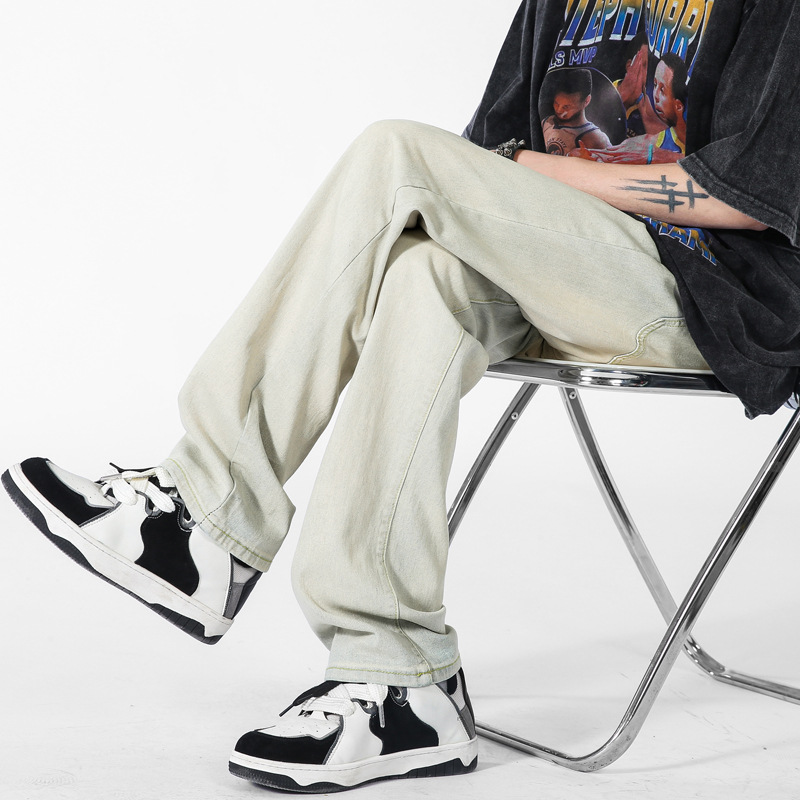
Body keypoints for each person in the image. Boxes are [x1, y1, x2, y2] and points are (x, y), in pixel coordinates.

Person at [4, 0, 800, 793]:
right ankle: (399, 679)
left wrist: (536, 173)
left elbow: (747, 197)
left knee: (396, 151)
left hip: (705, 291)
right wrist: (514, 175)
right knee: (426, 275)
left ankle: (206, 510)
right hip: (557, 265)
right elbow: (488, 154)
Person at [541, 68, 613, 154]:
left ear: (586, 101)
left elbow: (611, 161)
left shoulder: (596, 139)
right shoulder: (547, 122)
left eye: (566, 107)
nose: (558, 110)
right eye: (556, 103)